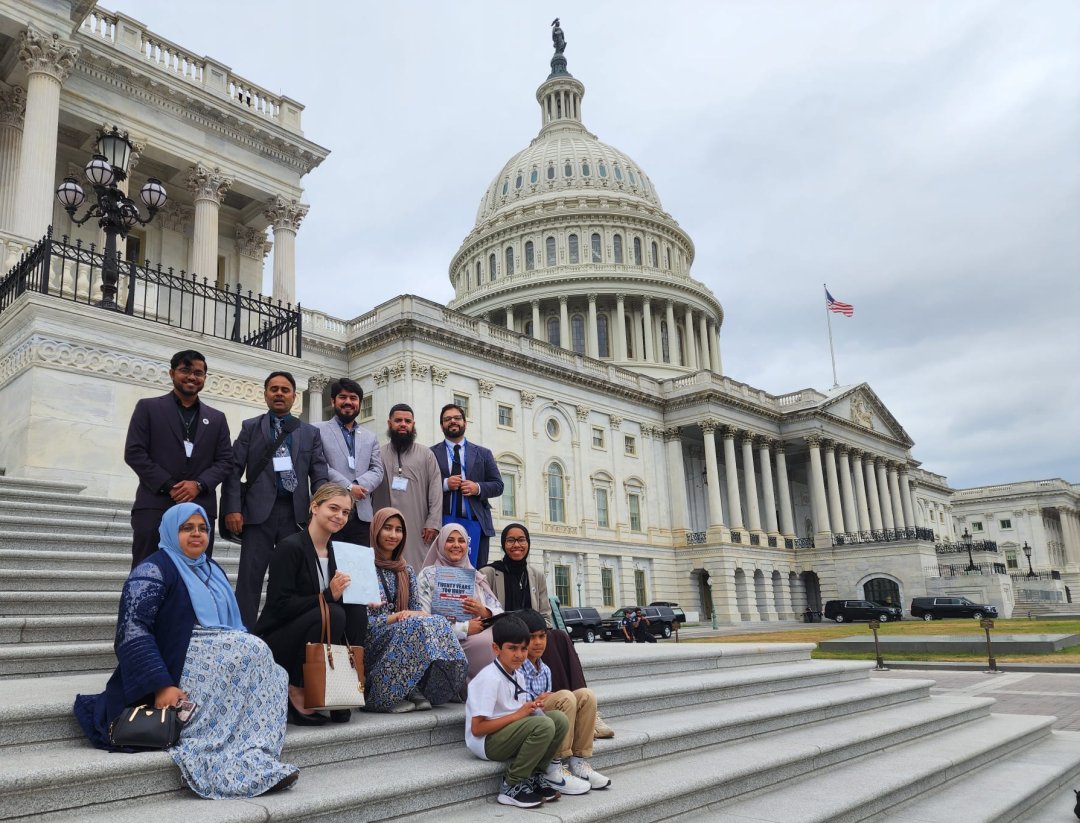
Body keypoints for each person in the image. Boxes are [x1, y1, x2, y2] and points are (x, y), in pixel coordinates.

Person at [73, 503, 298, 798]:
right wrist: (161, 685)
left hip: (219, 650)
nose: (197, 534)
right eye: (187, 528)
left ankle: (253, 751)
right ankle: (217, 758)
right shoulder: (153, 569)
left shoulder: (211, 568)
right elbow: (132, 629)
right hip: (174, 658)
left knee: (271, 668)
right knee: (248, 650)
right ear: (169, 531)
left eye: (203, 528)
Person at [482, 523, 615, 739]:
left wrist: (536, 630)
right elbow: (486, 611)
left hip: (532, 629)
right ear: (504, 544)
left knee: (558, 637)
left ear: (528, 543)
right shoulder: (489, 573)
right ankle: (563, 704)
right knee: (542, 639)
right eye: (511, 540)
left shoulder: (536, 575)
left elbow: (544, 613)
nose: (517, 545)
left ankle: (587, 710)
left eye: (521, 539)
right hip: (505, 632)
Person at [221, 371, 329, 627]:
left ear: (294, 396)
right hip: (258, 515)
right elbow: (233, 470)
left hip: (295, 517)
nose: (279, 393)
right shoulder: (250, 427)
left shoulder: (310, 433)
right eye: (274, 389)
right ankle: (243, 632)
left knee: (290, 580)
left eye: (285, 390)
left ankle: (279, 631)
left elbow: (319, 473)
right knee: (250, 579)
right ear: (266, 394)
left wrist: (323, 507)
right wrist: (232, 509)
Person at [255, 483, 368, 726]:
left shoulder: (339, 552)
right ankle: (295, 688)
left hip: (315, 632)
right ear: (314, 507)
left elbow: (341, 600)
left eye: (346, 512)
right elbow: (280, 606)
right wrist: (327, 595)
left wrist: (361, 593)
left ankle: (344, 683)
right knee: (334, 612)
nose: (339, 516)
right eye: (334, 508)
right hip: (280, 637)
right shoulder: (290, 547)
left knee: (357, 611)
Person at [124, 349, 233, 567]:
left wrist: (199, 485)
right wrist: (169, 485)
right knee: (148, 571)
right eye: (185, 370)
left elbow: (225, 461)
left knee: (195, 574)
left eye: (198, 373)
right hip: (155, 505)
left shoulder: (216, 418)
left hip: (199, 509)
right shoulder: (149, 408)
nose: (192, 377)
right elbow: (134, 452)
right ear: (172, 373)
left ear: (204, 378)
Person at [365, 507, 467, 713]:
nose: (393, 535)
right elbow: (361, 621)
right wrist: (396, 617)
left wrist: (411, 615)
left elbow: (418, 611)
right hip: (370, 636)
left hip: (403, 630)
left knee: (436, 622)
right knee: (412, 627)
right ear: (375, 530)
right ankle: (382, 694)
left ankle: (421, 686)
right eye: (387, 528)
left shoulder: (406, 570)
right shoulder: (362, 565)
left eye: (398, 530)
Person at [465, 614, 569, 808]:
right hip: (486, 743)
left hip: (507, 733)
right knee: (544, 724)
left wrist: (532, 707)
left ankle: (534, 776)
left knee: (559, 720)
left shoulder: (517, 675)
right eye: (512, 648)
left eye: (523, 648)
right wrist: (518, 715)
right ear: (496, 648)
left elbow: (517, 711)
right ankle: (512, 785)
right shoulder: (489, 678)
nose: (519, 655)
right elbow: (477, 729)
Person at [519, 608, 610, 792]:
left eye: (542, 636)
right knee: (566, 697)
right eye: (532, 637)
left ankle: (579, 761)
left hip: (543, 717)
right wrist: (537, 700)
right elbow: (513, 706)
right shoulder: (516, 666)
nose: (538, 643)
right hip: (526, 721)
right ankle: (553, 768)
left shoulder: (544, 669)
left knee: (586, 695)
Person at [417, 522, 504, 680]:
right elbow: (424, 619)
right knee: (487, 643)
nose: (456, 545)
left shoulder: (475, 576)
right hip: (443, 640)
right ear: (441, 543)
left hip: (477, 634)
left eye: (461, 541)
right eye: (450, 540)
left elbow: (500, 612)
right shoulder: (428, 575)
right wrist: (464, 628)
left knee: (502, 637)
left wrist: (484, 611)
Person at [431, 403, 503, 567]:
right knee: (442, 575)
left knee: (476, 575)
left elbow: (498, 485)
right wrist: (444, 484)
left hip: (476, 523)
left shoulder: (483, 453)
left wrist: (477, 488)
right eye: (447, 419)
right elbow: (424, 486)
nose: (453, 421)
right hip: (441, 524)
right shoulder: (431, 453)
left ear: (465, 423)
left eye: (457, 418)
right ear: (442, 425)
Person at [371, 403, 441, 571]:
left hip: (418, 527)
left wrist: (433, 522)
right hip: (383, 526)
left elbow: (436, 489)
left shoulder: (426, 455)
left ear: (413, 425)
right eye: (398, 420)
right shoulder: (378, 454)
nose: (403, 424)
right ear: (389, 424)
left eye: (407, 421)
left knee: (416, 568)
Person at [314, 378, 383, 546]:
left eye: (353, 398)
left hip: (362, 515)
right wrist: (349, 488)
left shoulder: (370, 437)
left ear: (359, 403)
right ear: (333, 401)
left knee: (358, 568)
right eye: (343, 397)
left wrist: (359, 485)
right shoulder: (317, 430)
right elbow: (320, 465)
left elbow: (377, 470)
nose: (348, 402)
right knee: (328, 565)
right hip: (330, 512)